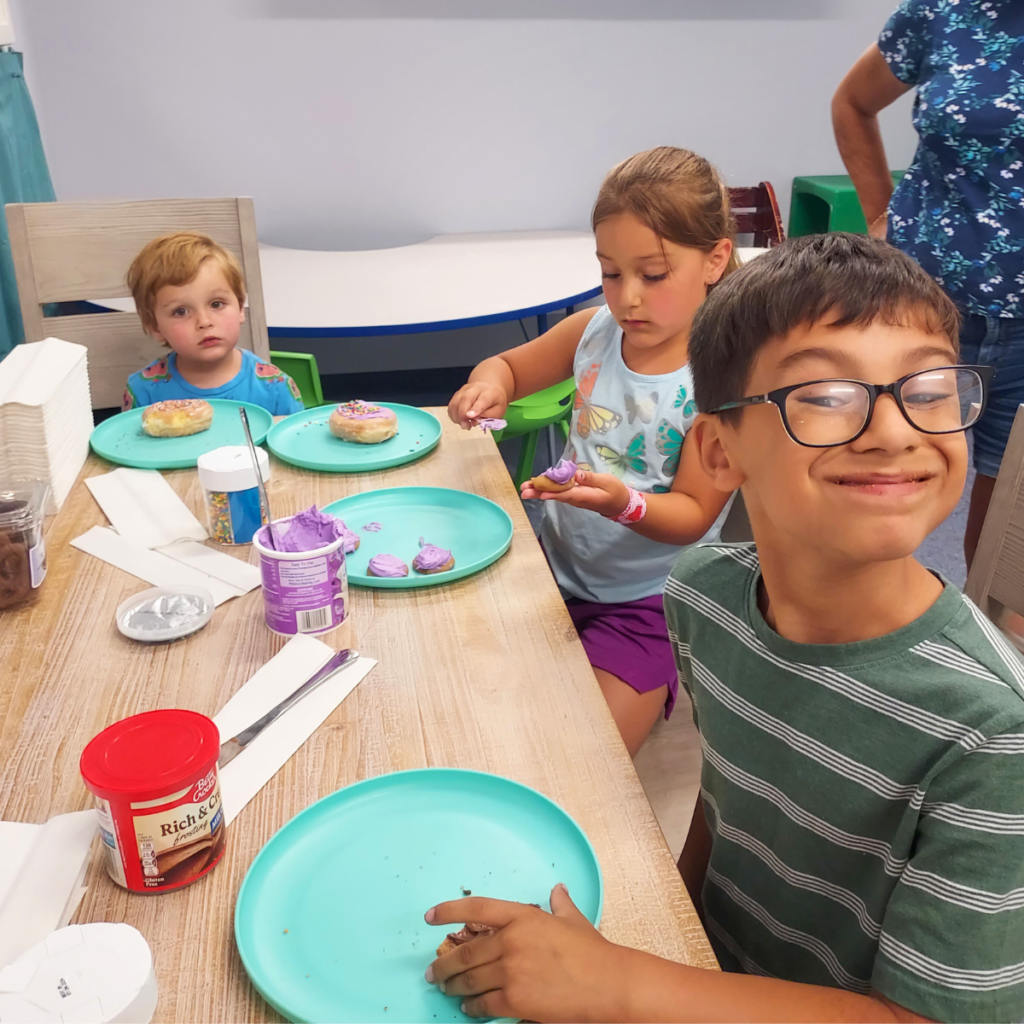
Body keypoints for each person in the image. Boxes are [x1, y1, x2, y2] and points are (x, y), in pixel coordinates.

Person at [424, 235, 1024, 1023]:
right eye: (826, 394)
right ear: (717, 449)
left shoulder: (995, 736)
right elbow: (727, 793)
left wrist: (622, 986)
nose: (893, 431)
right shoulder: (703, 594)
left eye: (930, 386)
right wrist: (661, 936)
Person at [448, 146, 735, 757]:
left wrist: (622, 504)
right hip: (551, 572)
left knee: (584, 757)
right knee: (470, 706)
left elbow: (694, 515)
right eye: (610, 272)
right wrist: (488, 386)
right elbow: (505, 366)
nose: (626, 297)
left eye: (652, 275)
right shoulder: (595, 332)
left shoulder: (718, 380)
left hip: (649, 606)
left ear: (715, 260)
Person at [831, 0, 1024, 569]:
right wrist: (877, 216)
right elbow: (852, 103)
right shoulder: (944, 10)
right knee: (874, 500)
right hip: (919, 312)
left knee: (1002, 552)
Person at [121, 231, 303, 416]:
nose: (204, 322)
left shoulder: (275, 387)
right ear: (155, 326)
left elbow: (294, 442)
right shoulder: (143, 393)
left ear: (240, 308)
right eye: (181, 311)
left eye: (216, 304)